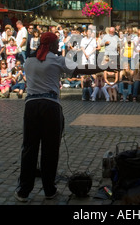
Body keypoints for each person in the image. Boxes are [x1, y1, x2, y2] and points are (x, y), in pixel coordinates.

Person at [14, 32, 108, 202]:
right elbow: (80, 69)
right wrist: (103, 67)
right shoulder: (56, 59)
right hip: (50, 106)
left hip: (31, 105)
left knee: (29, 148)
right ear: (50, 45)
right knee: (50, 150)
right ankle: (49, 189)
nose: (58, 46)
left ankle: (23, 191)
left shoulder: (28, 60)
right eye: (57, 43)